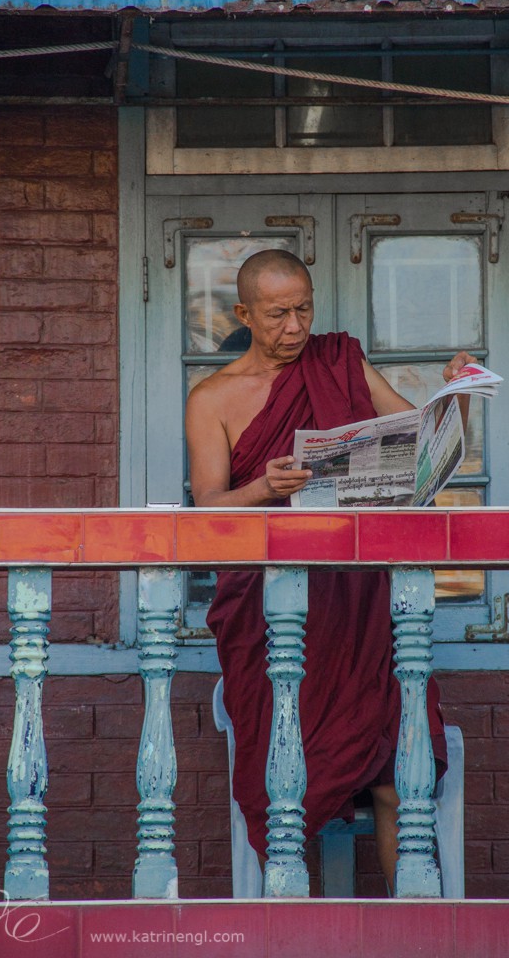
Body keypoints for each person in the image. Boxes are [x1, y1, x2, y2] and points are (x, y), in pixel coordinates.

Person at [185, 249, 474, 893]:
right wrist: (264, 487)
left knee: (400, 776)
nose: (296, 327)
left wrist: (455, 395)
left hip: (362, 606)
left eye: (304, 310)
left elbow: (420, 449)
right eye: (278, 314)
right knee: (284, 782)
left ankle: (417, 931)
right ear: (243, 314)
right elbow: (208, 512)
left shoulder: (340, 359)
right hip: (273, 616)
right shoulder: (212, 399)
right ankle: (285, 926)